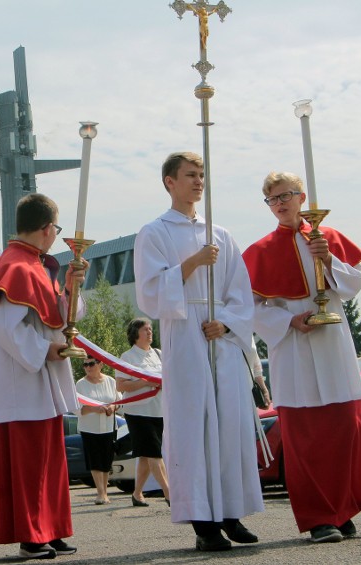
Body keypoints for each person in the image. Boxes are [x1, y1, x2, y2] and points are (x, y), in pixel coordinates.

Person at [133, 153, 264, 552]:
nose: (198, 182)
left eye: (202, 175)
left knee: (229, 424)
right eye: (190, 175)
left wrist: (225, 322)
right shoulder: (154, 233)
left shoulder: (221, 235)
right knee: (194, 426)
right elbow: (151, 295)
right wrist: (191, 262)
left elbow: (241, 295)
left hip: (219, 338)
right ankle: (203, 522)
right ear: (170, 182)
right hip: (184, 335)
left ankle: (230, 512)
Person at [242, 171, 361, 542]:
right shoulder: (258, 252)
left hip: (333, 342)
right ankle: (319, 518)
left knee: (344, 429)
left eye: (286, 195)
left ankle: (343, 509)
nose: (281, 203)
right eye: (273, 199)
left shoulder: (328, 237)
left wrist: (329, 259)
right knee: (305, 438)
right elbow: (250, 307)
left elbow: (352, 285)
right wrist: (289, 320)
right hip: (292, 348)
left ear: (302, 197)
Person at [0, 193, 86, 560]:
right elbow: (7, 329)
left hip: (41, 380)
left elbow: (64, 319)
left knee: (50, 462)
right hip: (23, 382)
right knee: (32, 464)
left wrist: (71, 286)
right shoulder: (16, 267)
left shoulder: (35, 265)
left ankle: (52, 528)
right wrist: (45, 350)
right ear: (48, 228)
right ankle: (32, 536)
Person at [115, 318, 170, 506]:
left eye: (150, 329)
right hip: (138, 412)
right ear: (135, 334)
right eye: (145, 329)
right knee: (154, 453)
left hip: (158, 409)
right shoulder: (127, 357)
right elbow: (121, 385)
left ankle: (137, 493)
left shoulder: (158, 354)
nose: (149, 332)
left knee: (147, 455)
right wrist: (145, 382)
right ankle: (169, 493)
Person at [76, 356, 120, 505]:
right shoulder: (80, 384)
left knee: (106, 460)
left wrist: (112, 407)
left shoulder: (111, 381)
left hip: (108, 427)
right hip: (89, 428)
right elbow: (76, 408)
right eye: (85, 365)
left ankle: (105, 493)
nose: (88, 367)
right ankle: (100, 493)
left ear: (100, 364)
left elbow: (118, 401)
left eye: (91, 364)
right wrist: (94, 409)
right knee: (94, 460)